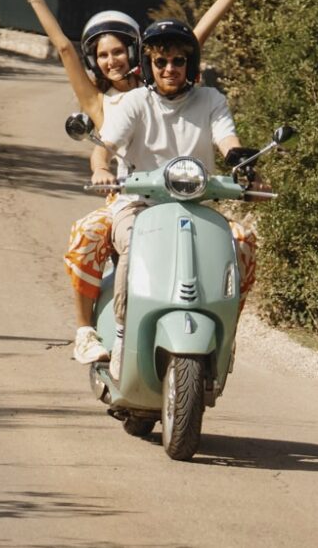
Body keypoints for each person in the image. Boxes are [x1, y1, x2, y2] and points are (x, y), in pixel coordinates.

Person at [0, 0, 262, 363]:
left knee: (241, 243)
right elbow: (66, 50)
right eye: (103, 56)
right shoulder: (107, 100)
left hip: (188, 193)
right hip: (130, 195)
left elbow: (196, 35)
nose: (112, 61)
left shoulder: (167, 78)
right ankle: (88, 330)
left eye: (119, 51)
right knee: (86, 234)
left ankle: (225, 335)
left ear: (137, 51)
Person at [93, 19, 260, 380]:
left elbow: (227, 139)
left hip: (197, 206)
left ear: (191, 64)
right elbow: (105, 145)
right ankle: (122, 334)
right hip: (139, 204)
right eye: (161, 62)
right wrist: (99, 168)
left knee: (242, 246)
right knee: (133, 244)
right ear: (148, 65)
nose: (170, 69)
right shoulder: (136, 101)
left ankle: (226, 336)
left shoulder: (211, 100)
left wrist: (240, 162)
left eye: (179, 61)